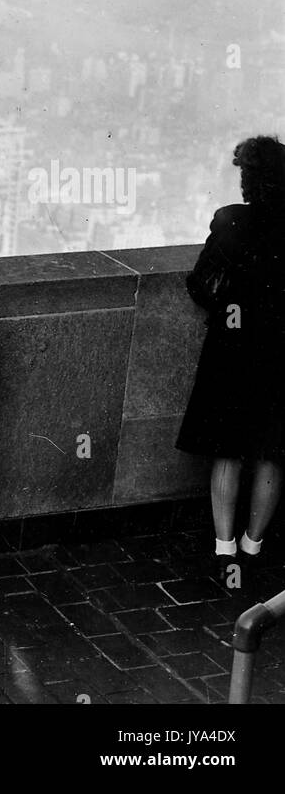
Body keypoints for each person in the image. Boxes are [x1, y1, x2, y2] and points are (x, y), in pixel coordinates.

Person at [176, 135, 285, 592]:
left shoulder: (230, 221)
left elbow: (203, 284)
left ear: (247, 180)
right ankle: (253, 546)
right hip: (281, 351)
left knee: (229, 450)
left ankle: (224, 552)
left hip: (234, 349)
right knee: (272, 452)